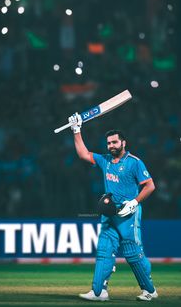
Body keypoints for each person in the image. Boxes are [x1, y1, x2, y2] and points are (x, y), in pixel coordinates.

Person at [68, 112, 158, 302]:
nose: (111, 146)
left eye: (114, 143)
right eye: (109, 143)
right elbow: (84, 154)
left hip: (128, 214)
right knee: (104, 251)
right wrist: (76, 130)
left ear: (123, 143)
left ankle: (149, 290)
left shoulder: (134, 162)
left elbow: (150, 185)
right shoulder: (105, 160)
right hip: (109, 214)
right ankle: (99, 292)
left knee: (133, 254)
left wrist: (134, 202)